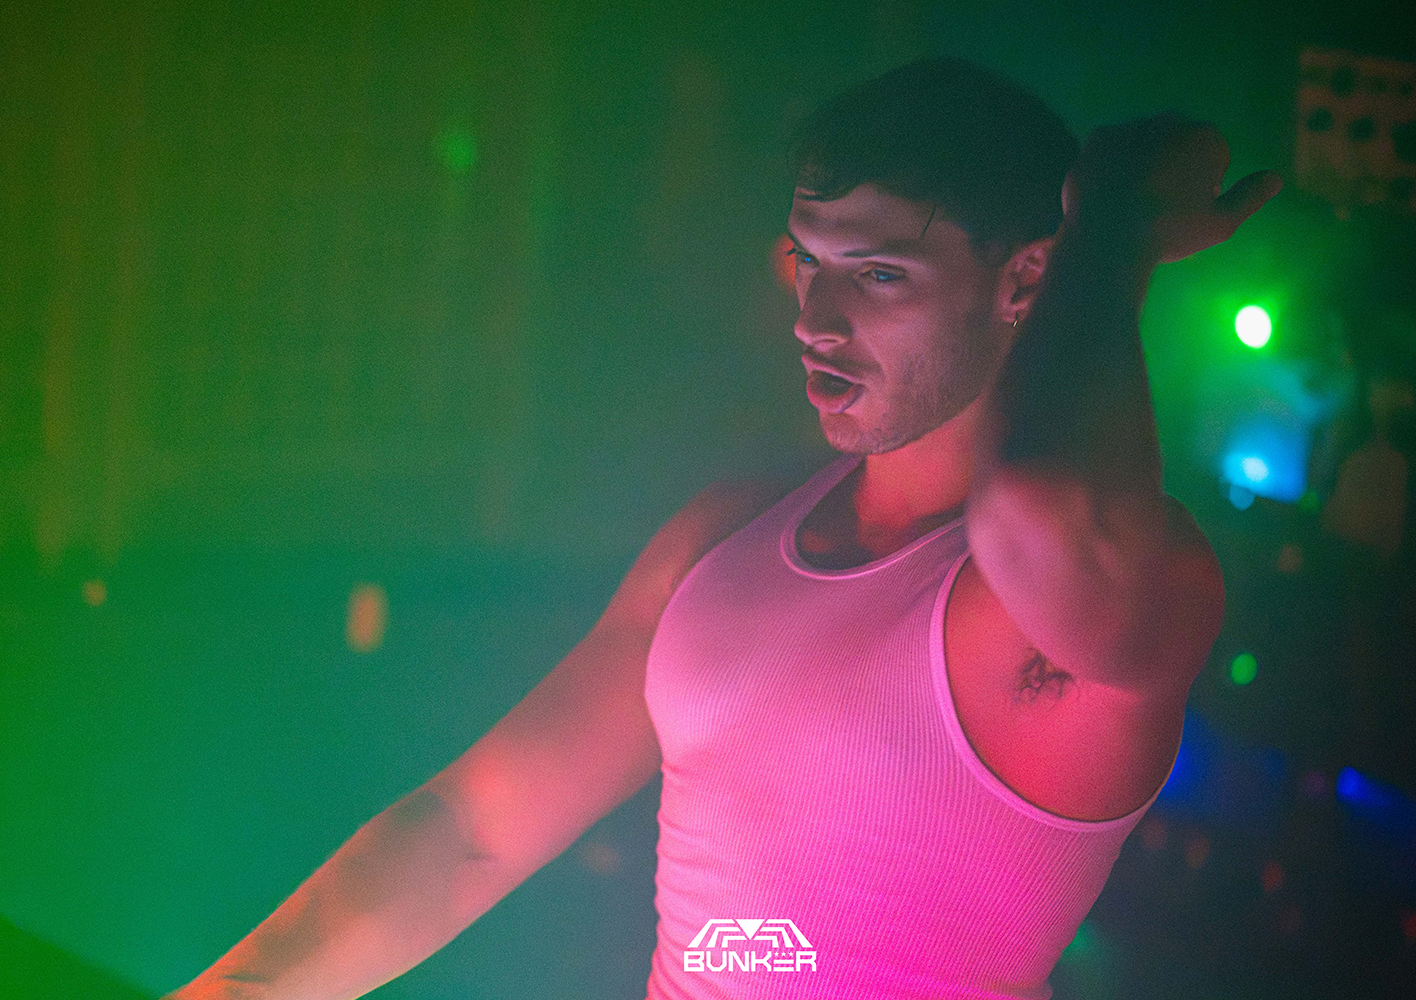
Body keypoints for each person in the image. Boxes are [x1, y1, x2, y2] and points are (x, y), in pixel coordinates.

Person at [166, 57, 1279, 1000]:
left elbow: (1042, 504)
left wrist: (1112, 232)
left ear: (1026, 278)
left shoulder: (1099, 586)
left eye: (878, 275)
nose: (816, 320)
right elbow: (468, 830)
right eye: (810, 263)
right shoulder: (726, 536)